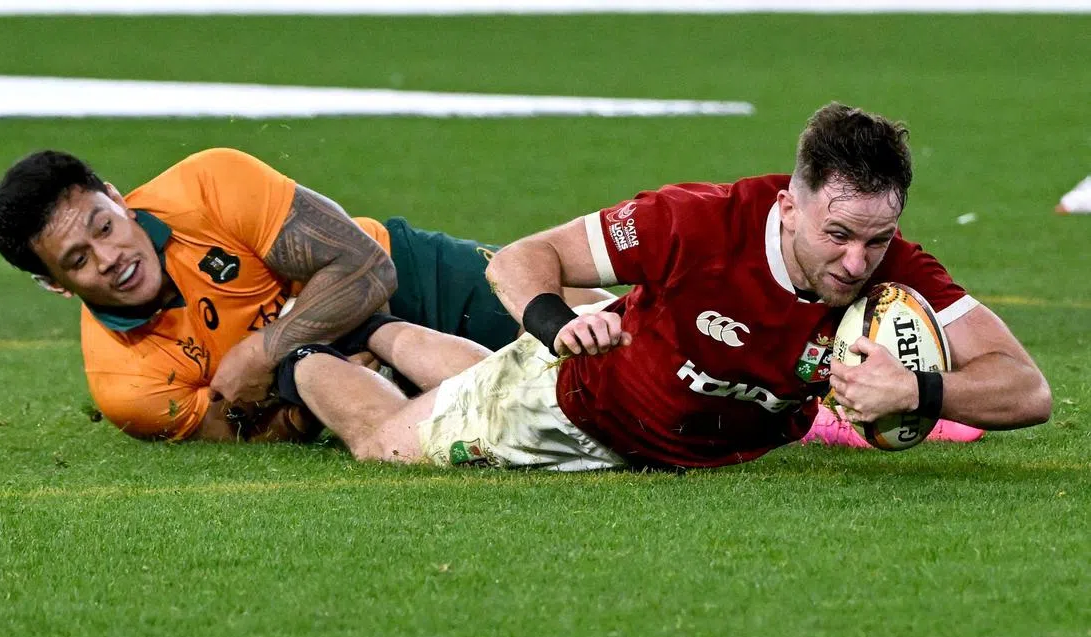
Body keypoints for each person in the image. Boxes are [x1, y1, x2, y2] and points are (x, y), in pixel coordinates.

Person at [286, 102, 1052, 470]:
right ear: (790, 205)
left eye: (877, 239)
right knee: (382, 445)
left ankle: (380, 338)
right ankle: (308, 348)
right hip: (574, 407)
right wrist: (555, 326)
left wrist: (918, 391)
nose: (858, 264)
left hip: (680, 421)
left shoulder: (895, 270)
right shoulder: (694, 224)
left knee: (467, 379)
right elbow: (520, 258)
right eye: (838, 236)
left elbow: (1028, 391)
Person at [0, 147, 605, 442]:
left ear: (118, 199)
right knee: (569, 402)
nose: (111, 257)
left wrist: (260, 353)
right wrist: (315, 382)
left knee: (583, 324)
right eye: (79, 261)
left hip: (412, 277)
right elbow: (248, 431)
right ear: (54, 285)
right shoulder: (125, 384)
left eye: (103, 226)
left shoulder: (207, 183)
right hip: (331, 377)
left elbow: (366, 269)